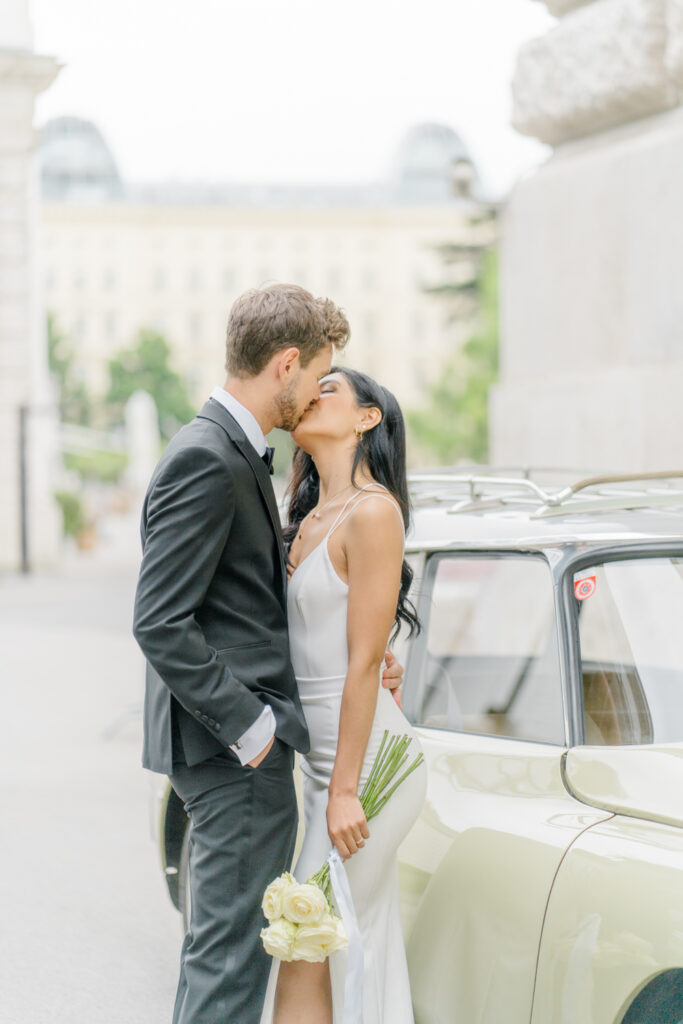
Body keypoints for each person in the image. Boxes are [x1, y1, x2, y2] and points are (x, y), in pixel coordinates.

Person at [132, 284, 403, 1024]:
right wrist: (253, 731)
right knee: (227, 970)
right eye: (315, 374)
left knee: (227, 959)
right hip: (233, 752)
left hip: (242, 750)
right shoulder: (210, 458)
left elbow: (243, 604)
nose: (315, 391)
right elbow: (159, 620)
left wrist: (371, 648)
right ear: (286, 364)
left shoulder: (229, 454)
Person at [260, 367, 427, 1024]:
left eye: (329, 388)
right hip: (323, 763)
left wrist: (345, 789)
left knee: (305, 934)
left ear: (367, 419)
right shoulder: (306, 517)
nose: (312, 393)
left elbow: (362, 666)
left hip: (367, 771)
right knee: (330, 944)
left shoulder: (374, 512)